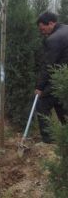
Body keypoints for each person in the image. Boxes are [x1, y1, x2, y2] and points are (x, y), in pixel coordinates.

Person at [35, 12, 68, 143]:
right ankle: (65, 132)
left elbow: (48, 65)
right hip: (64, 77)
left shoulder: (53, 39)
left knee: (42, 104)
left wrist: (39, 87)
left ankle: (48, 140)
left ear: (51, 23)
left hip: (61, 77)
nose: (42, 32)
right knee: (61, 103)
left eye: (43, 28)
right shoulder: (66, 29)